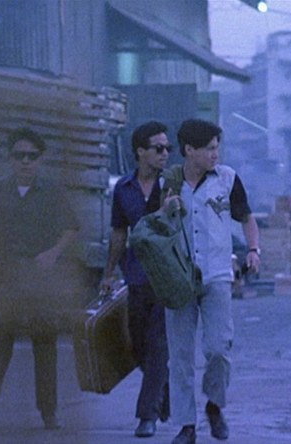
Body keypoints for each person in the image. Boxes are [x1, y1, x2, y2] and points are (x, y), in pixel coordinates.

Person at [0, 128, 79, 431]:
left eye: (32, 156)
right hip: (7, 278)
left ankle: (49, 412)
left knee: (45, 345)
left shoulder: (52, 193)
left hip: (41, 279)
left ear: (40, 159)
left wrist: (53, 254)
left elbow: (71, 228)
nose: (25, 161)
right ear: (11, 159)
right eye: (19, 155)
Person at [163, 119, 260, 444]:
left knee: (218, 349)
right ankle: (186, 426)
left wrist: (253, 250)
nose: (215, 154)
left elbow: (247, 218)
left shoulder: (227, 179)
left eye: (217, 148)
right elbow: (151, 228)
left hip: (217, 275)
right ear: (189, 150)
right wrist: (165, 210)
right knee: (180, 356)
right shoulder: (169, 182)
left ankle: (214, 405)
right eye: (209, 149)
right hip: (178, 278)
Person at [100, 121, 171, 438]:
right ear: (141, 151)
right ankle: (164, 393)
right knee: (138, 346)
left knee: (158, 346)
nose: (165, 153)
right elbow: (119, 233)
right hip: (137, 277)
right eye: (158, 148)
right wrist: (109, 273)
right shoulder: (124, 189)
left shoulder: (172, 185)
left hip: (169, 278)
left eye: (167, 148)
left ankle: (147, 416)